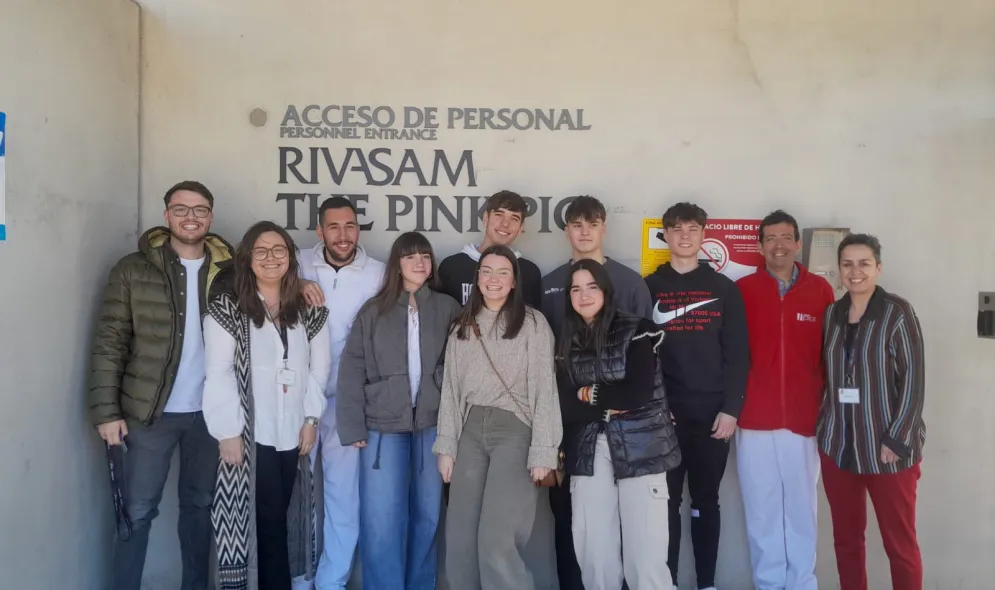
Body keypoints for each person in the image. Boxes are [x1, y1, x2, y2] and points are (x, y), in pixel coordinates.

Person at [87, 181, 234, 590]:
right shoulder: (133, 269)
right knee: (136, 510)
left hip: (210, 416)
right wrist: (107, 412)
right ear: (167, 214)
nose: (191, 217)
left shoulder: (228, 272)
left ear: (211, 216)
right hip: (148, 414)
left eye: (200, 209)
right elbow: (109, 341)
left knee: (201, 508)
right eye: (181, 209)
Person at [202, 221, 331, 590]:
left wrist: (311, 418)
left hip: (293, 433)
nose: (270, 258)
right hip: (249, 434)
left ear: (291, 257)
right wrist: (228, 432)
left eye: (279, 250)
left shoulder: (309, 311)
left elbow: (319, 370)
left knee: (280, 518)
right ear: (247, 258)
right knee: (262, 521)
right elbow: (219, 371)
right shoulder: (229, 308)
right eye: (261, 250)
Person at [335, 231, 461, 590]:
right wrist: (353, 426)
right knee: (382, 519)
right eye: (410, 257)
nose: (419, 263)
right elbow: (352, 368)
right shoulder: (374, 310)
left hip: (432, 425)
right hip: (381, 427)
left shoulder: (447, 306)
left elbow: (461, 365)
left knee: (427, 516)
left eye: (425, 256)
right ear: (397, 264)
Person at [541, 195, 653, 589]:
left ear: (604, 227)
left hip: (631, 429)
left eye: (592, 223)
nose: (584, 231)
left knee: (635, 533)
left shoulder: (631, 283)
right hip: (572, 425)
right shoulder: (549, 283)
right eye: (576, 223)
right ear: (566, 230)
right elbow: (546, 365)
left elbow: (647, 363)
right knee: (578, 525)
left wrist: (610, 402)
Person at [434, 245, 562, 590]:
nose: (493, 279)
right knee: (459, 538)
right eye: (486, 271)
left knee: (496, 541)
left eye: (502, 272)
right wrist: (447, 445)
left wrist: (544, 451)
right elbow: (451, 389)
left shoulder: (533, 324)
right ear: (477, 278)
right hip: (470, 431)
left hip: (516, 432)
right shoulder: (463, 324)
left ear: (514, 280)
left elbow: (544, 390)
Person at [644, 202, 750, 590]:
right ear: (666, 236)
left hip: (712, 416)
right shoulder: (649, 287)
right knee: (665, 505)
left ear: (703, 235)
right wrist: (655, 406)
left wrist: (731, 409)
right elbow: (641, 356)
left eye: (692, 229)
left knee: (707, 501)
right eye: (676, 229)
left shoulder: (724, 289)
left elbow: (738, 354)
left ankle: (706, 582)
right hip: (664, 417)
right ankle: (666, 582)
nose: (684, 236)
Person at [557, 259, 681, 590]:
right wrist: (605, 406)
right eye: (576, 289)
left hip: (642, 449)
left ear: (606, 291)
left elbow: (637, 395)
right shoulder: (566, 341)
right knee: (596, 558)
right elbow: (564, 404)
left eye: (591, 287)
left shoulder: (637, 328)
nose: (583, 295)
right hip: (588, 449)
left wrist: (591, 394)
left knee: (646, 561)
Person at [818, 234, 925, 590]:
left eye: (864, 263)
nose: (855, 271)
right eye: (847, 264)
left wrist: (897, 438)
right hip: (839, 446)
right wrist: (824, 429)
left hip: (887, 449)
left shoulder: (897, 312)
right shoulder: (832, 314)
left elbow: (914, 378)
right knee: (846, 542)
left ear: (878, 268)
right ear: (839, 270)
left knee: (900, 546)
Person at [734, 210, 835, 590]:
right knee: (762, 511)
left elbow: (829, 356)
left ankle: (802, 584)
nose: (779, 245)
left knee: (801, 510)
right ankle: (768, 584)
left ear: (797, 243)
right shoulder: (743, 291)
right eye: (771, 238)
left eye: (786, 237)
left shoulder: (820, 291)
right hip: (754, 419)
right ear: (760, 246)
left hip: (803, 419)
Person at [298, 197, 386, 590]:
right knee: (299, 496)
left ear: (358, 229)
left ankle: (332, 581)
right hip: (299, 401)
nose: (343, 235)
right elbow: (250, 275)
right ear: (320, 231)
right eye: (333, 227)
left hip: (350, 404)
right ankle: (300, 579)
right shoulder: (296, 263)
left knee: (343, 498)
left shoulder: (379, 274)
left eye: (349, 226)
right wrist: (294, 283)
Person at [438, 190, 543, 308]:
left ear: (521, 228)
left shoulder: (529, 272)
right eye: (499, 215)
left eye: (514, 218)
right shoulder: (451, 266)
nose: (505, 224)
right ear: (485, 218)